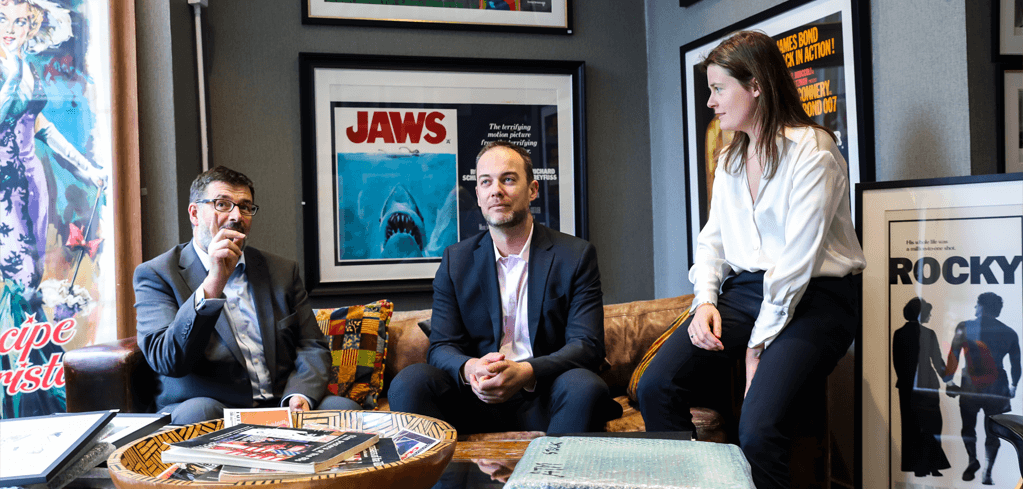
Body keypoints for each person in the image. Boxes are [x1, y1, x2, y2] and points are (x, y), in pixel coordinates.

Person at [635, 31, 866, 489]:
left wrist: (757, 346)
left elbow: (797, 264)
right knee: (656, 386)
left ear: (756, 85)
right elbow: (712, 242)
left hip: (815, 300)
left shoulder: (813, 151)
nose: (710, 101)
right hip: (745, 293)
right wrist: (704, 303)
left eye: (719, 88)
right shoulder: (730, 159)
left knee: (758, 432)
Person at [387, 141, 617, 435]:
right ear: (480, 197)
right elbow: (442, 346)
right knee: (410, 382)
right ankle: (447, 481)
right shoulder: (455, 261)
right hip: (474, 400)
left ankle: (550, 478)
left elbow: (588, 346)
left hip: (544, 395)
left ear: (532, 190)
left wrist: (526, 371)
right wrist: (471, 369)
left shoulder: (575, 256)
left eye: (508, 179)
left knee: (587, 387)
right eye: (486, 182)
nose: (496, 190)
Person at [133, 166, 359, 424]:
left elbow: (311, 345)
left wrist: (300, 395)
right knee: (199, 414)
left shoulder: (281, 270)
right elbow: (167, 359)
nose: (236, 216)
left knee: (345, 411)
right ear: (194, 214)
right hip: (212, 408)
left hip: (281, 405)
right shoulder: (157, 274)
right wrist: (213, 283)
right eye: (222, 204)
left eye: (245, 207)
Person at [0, 0, 104, 418]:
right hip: (3, 187)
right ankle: (21, 400)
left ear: (34, 26)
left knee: (30, 276)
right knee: (17, 279)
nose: (11, 28)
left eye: (21, 21)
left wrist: (87, 167)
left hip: (32, 185)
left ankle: (36, 390)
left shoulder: (25, 68)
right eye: (4, 19)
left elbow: (41, 128)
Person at [944, 292, 1021, 485]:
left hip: (971, 383)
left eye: (976, 305)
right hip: (998, 386)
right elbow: (1016, 364)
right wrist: (1013, 385)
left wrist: (949, 380)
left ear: (981, 306)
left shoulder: (965, 326)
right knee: (994, 430)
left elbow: (953, 354)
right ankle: (987, 469)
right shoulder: (1009, 332)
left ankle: (972, 460)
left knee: (968, 427)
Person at [892, 297, 950, 477]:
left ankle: (918, 467)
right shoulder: (928, 333)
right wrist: (949, 379)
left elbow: (897, 363)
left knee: (911, 426)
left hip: (907, 387)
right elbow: (938, 361)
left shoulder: (899, 333)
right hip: (928, 385)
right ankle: (932, 465)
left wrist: (906, 379)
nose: (930, 315)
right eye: (928, 312)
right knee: (933, 424)